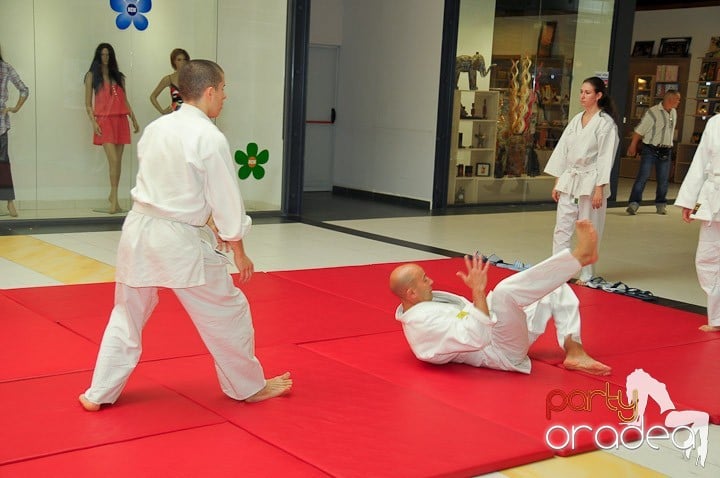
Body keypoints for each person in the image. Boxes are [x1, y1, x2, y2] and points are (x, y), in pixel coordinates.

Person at [78, 59, 292, 412]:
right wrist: (237, 246)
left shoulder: (157, 129)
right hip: (176, 241)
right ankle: (248, 386)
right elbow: (224, 199)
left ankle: (98, 392)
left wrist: (210, 225)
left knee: (127, 314)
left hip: (139, 230)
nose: (225, 97)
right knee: (228, 311)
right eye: (223, 90)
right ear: (209, 92)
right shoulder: (209, 136)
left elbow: (174, 188)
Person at [389, 219, 611, 376]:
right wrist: (478, 293)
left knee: (551, 286)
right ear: (411, 292)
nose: (431, 282)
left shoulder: (424, 305)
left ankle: (574, 350)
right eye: (424, 279)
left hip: (500, 335)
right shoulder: (423, 325)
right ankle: (579, 258)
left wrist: (482, 299)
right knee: (505, 292)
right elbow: (477, 337)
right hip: (498, 351)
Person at [544, 76, 619, 284]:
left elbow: (606, 158)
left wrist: (599, 189)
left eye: (587, 93)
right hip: (571, 178)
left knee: (588, 229)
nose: (582, 96)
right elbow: (563, 151)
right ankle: (559, 270)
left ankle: (586, 274)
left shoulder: (606, 124)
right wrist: (558, 181)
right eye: (581, 92)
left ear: (598, 96)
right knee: (562, 227)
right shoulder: (576, 120)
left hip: (591, 180)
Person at [674, 114, 720, 333]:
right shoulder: (714, 123)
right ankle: (717, 318)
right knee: (707, 258)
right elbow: (700, 163)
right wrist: (689, 200)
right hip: (713, 197)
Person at [84, 43, 140, 214]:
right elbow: (87, 104)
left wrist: (133, 118)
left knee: (118, 162)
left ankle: (113, 197)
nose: (105, 58)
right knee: (113, 161)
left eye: (108, 55)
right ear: (97, 56)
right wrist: (94, 123)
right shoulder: (92, 76)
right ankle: (114, 200)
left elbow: (124, 100)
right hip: (104, 121)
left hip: (120, 120)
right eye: (102, 55)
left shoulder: (119, 76)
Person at [626, 90, 681, 215]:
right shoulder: (653, 112)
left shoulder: (674, 112)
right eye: (678, 99)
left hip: (666, 149)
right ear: (670, 99)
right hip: (650, 149)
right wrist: (633, 146)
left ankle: (661, 204)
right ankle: (633, 203)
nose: (679, 102)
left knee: (663, 179)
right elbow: (639, 131)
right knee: (643, 177)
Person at [0, 45, 29, 217]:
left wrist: (15, 108)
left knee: (3, 165)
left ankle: (9, 202)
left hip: (1, 125)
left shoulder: (5, 67)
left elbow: (24, 89)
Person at [149, 48, 190, 114]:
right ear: (174, 62)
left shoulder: (192, 78)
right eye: (179, 60)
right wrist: (162, 111)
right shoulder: (168, 79)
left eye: (184, 59)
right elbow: (152, 97)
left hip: (190, 116)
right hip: (174, 117)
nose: (182, 62)